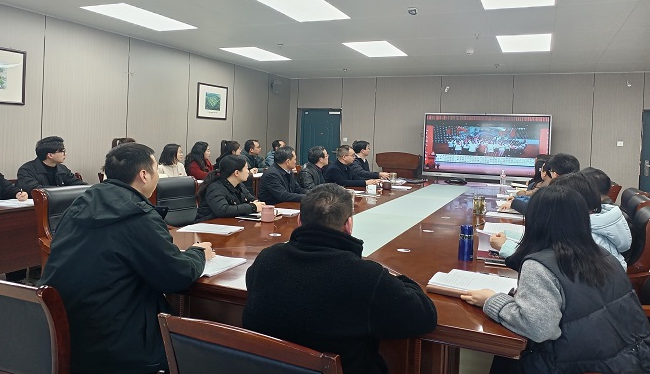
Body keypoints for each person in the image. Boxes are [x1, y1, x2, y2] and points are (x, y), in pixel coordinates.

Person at [39, 143, 214, 373]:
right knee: (205, 351)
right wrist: (197, 253)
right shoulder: (138, 215)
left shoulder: (77, 206)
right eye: (155, 170)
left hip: (65, 335)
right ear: (144, 175)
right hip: (119, 344)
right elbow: (176, 276)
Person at [244, 183, 437, 374]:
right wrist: (394, 277)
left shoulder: (267, 258)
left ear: (299, 220)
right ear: (348, 224)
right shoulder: (364, 275)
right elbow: (424, 316)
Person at [462, 186, 650, 374]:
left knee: (508, 353)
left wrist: (492, 300)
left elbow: (539, 329)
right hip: (635, 359)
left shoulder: (539, 265)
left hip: (578, 364)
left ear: (535, 220)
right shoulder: (603, 254)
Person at [494, 172, 632, 271]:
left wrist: (507, 247)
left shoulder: (590, 238)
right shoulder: (590, 223)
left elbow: (553, 269)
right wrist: (511, 237)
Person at [501, 153, 580, 214]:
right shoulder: (578, 193)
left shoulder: (556, 194)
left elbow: (536, 211)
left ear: (555, 175)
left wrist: (514, 204)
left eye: (550, 171)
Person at [196, 154, 265, 221]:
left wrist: (257, 204)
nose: (248, 172)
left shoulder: (239, 185)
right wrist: (252, 207)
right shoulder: (215, 188)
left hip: (229, 223)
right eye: (246, 168)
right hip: (208, 224)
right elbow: (223, 210)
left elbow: (251, 199)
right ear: (236, 173)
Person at [17, 136, 87, 194]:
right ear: (50, 155)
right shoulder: (26, 170)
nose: (65, 154)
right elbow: (36, 191)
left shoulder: (62, 168)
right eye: (62, 151)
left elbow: (77, 184)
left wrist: (90, 188)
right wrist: (64, 189)